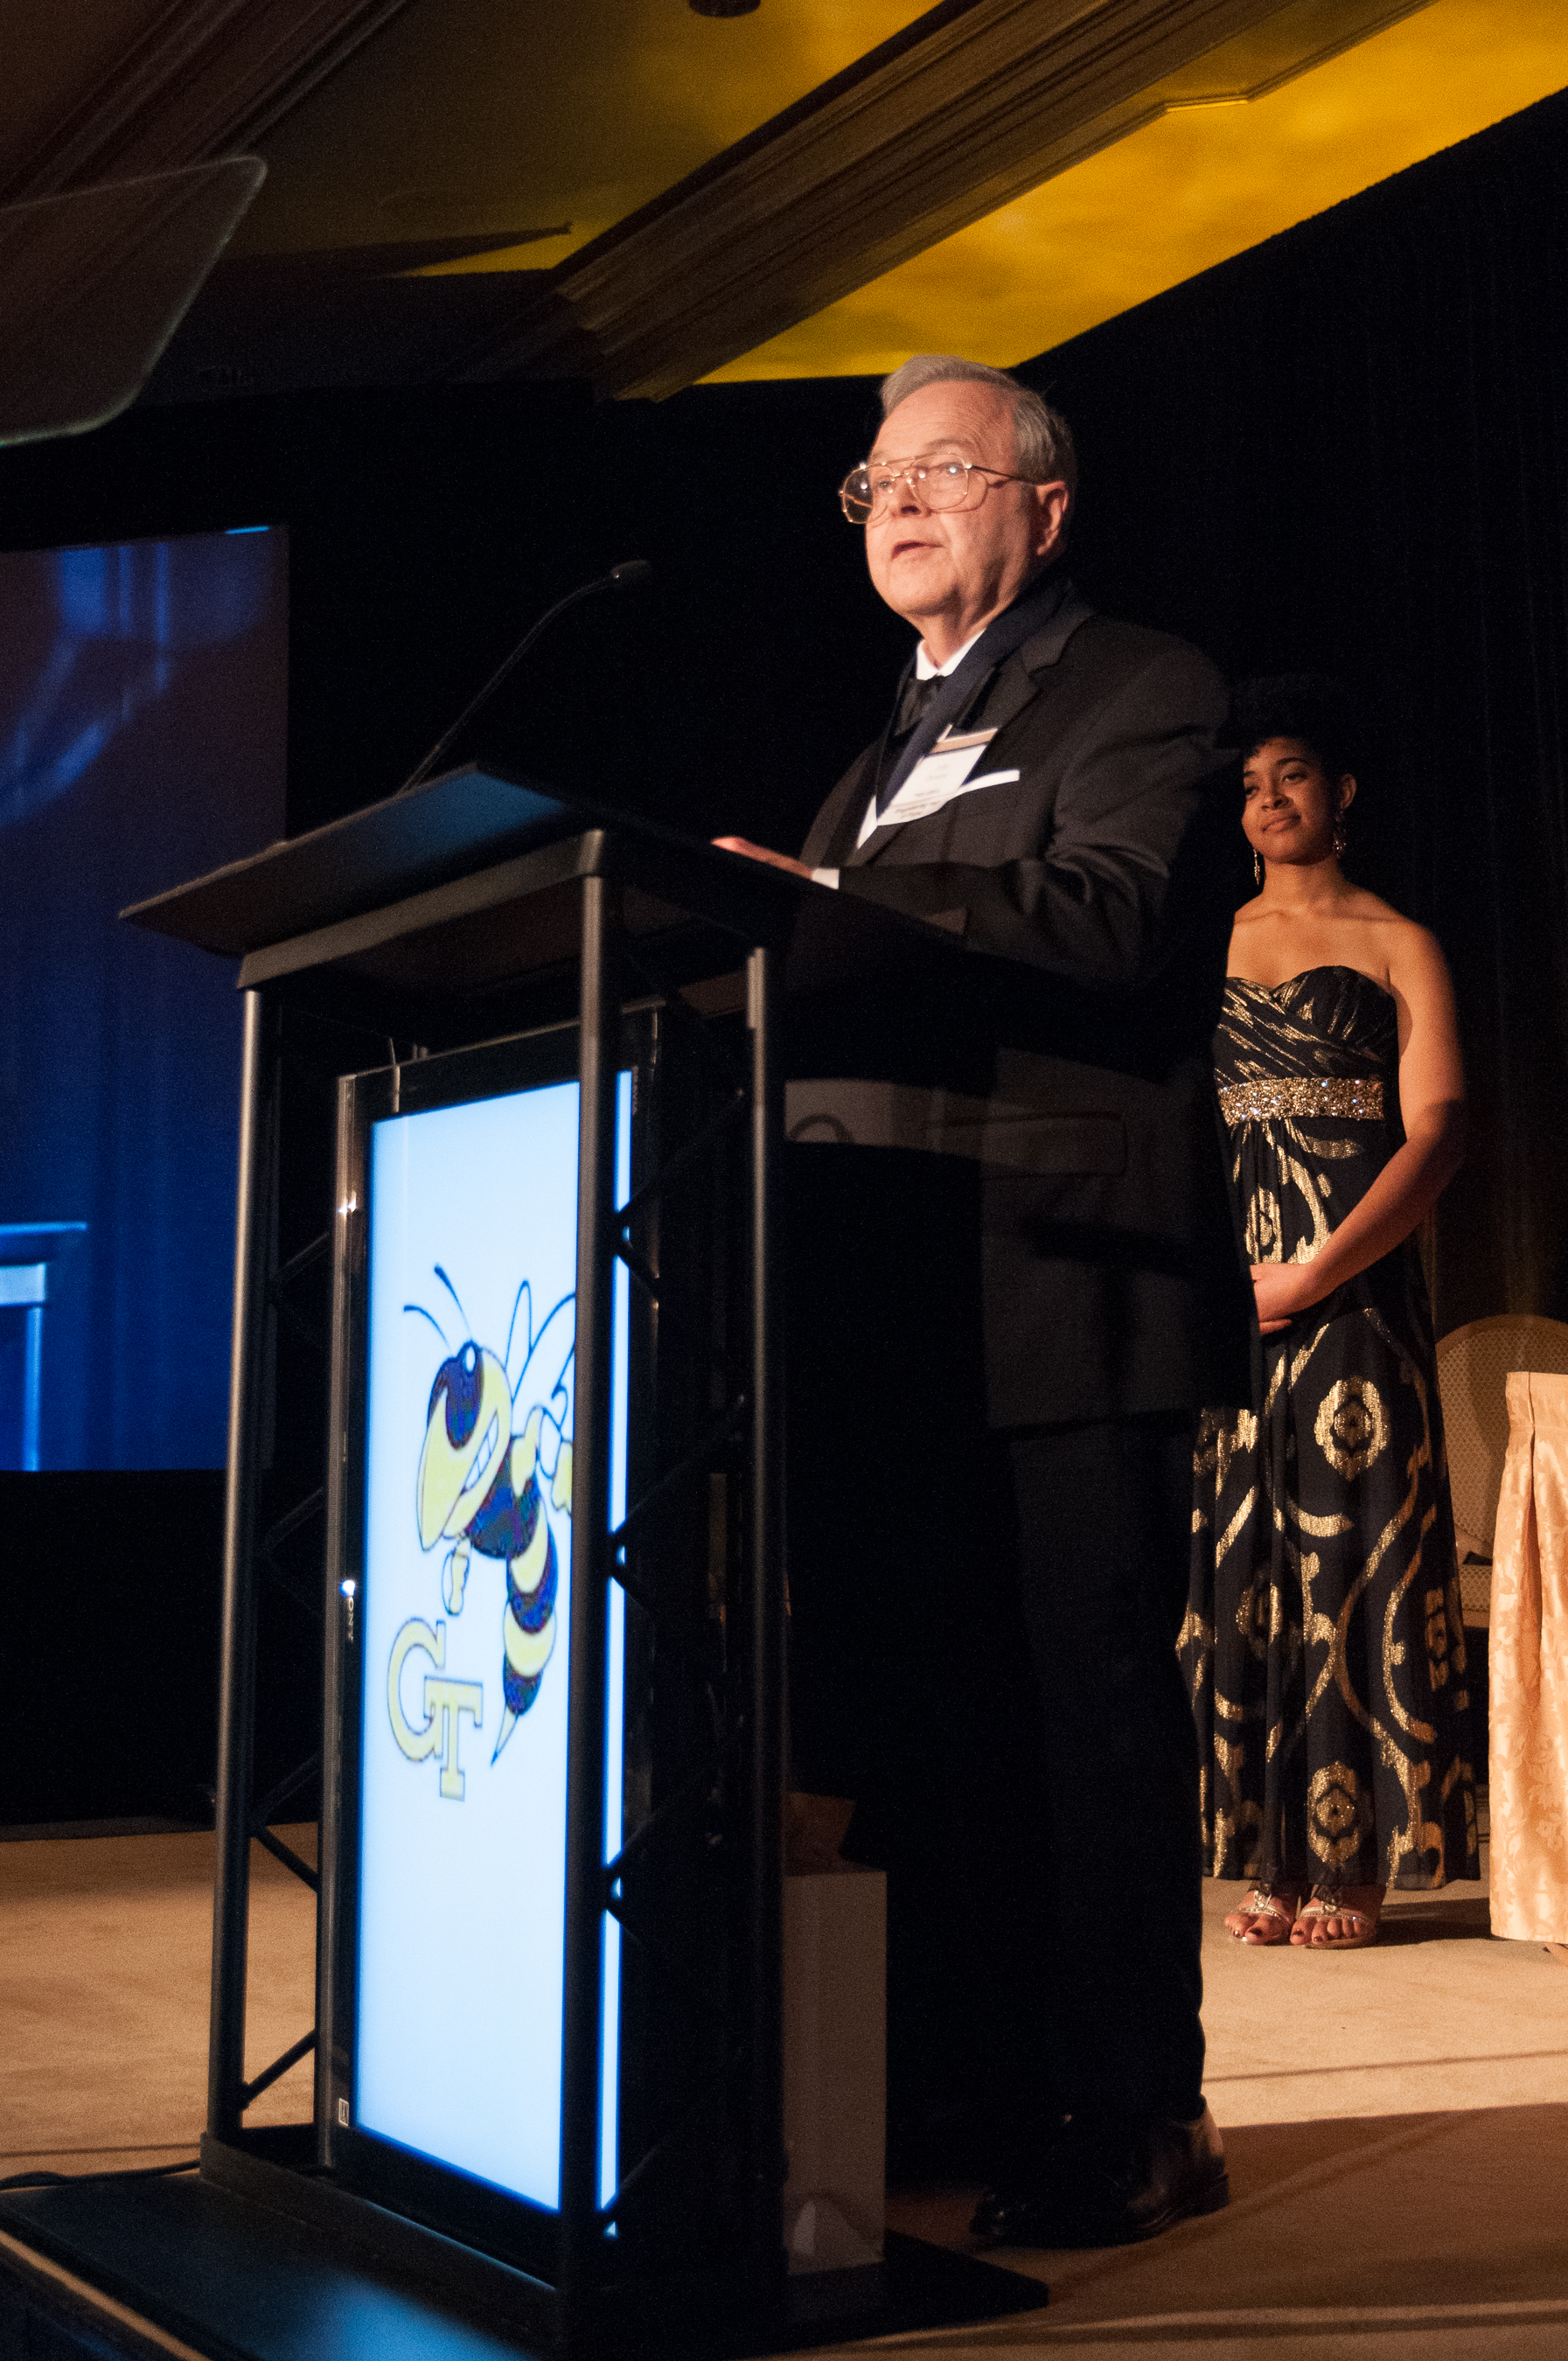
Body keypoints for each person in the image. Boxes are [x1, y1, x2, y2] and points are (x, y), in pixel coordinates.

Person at [715, 353, 1253, 2246]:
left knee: (1083, 1711)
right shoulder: (876, 753)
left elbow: (1110, 923)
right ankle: (966, 2075)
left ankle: (1138, 2110)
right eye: (877, 482)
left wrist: (853, 911)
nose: (905, 502)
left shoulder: (1141, 685)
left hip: (1061, 1285)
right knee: (932, 1711)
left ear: (1046, 503)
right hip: (888, 1299)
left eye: (946, 466)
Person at [1182, 677, 1476, 1952]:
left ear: (1340, 790)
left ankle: (1354, 1862)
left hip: (1351, 1282)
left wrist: (1318, 1270)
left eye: (1290, 775)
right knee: (1244, 1560)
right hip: (1229, 1280)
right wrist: (1218, 1271)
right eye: (1248, 786)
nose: (1267, 801)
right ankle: (1267, 1851)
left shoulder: (1400, 939)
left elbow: (1439, 1131)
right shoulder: (1202, 938)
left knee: (1356, 1549)